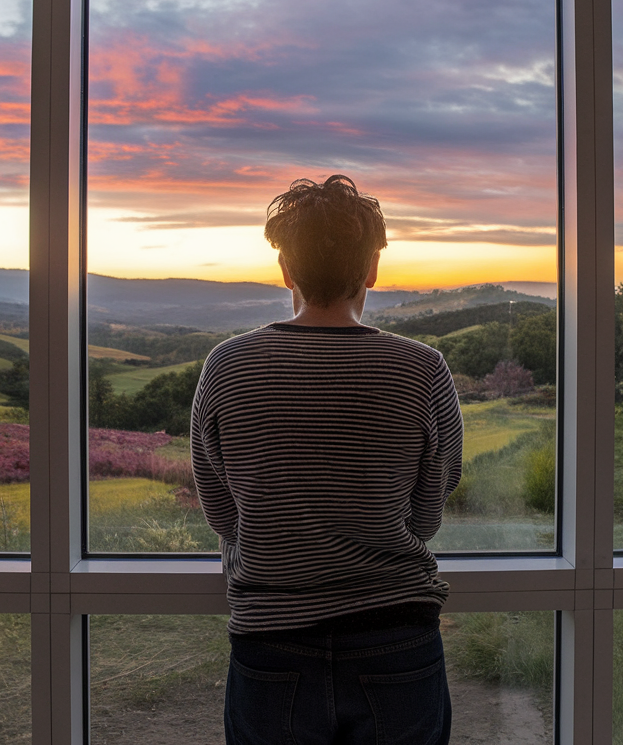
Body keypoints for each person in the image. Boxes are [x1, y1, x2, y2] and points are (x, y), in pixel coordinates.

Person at [191, 174, 464, 745]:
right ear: (371, 270)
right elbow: (426, 518)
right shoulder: (423, 369)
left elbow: (223, 517)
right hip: (398, 640)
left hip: (270, 645)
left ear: (285, 270)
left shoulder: (227, 366)